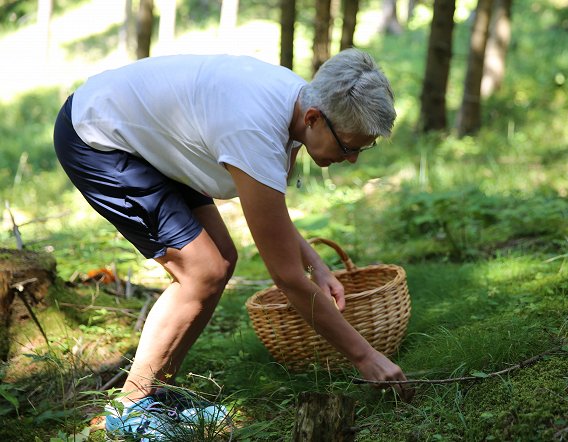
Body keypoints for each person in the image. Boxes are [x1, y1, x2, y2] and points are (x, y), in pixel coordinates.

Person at [53, 48, 410, 440]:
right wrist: (365, 356)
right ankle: (131, 408)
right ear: (313, 118)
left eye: (363, 147)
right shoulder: (255, 130)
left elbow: (270, 214)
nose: (354, 159)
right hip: (98, 137)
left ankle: (154, 393)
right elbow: (287, 279)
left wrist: (318, 265)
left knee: (220, 261)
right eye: (349, 147)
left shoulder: (299, 103)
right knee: (202, 271)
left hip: (148, 140)